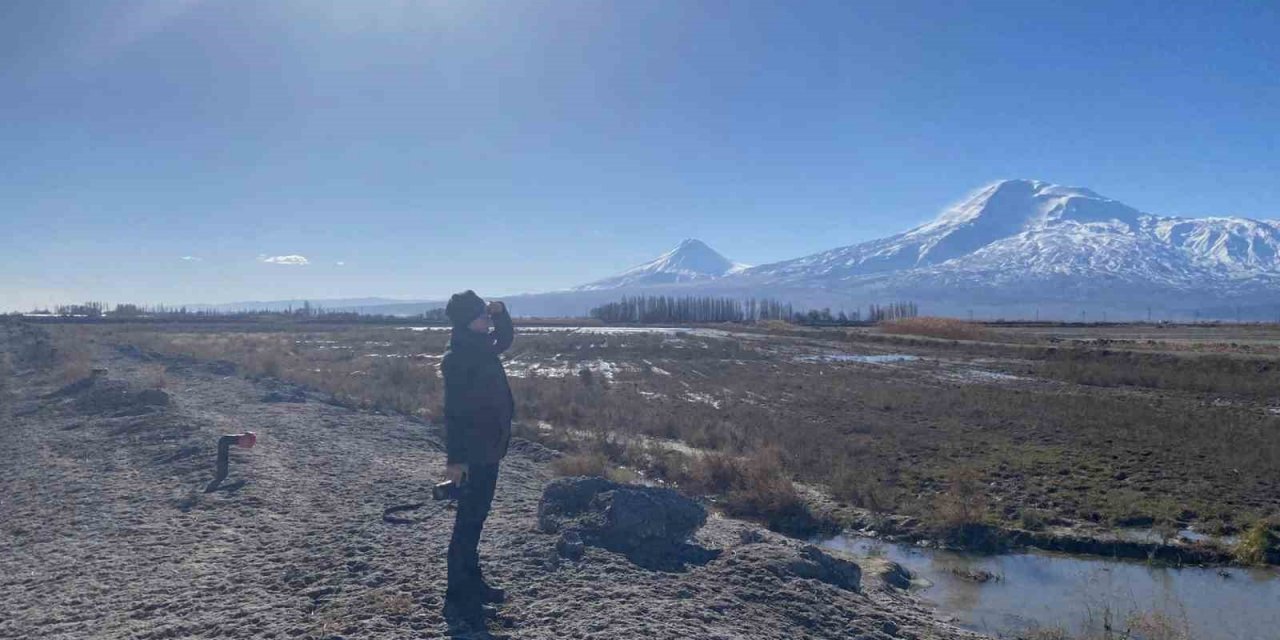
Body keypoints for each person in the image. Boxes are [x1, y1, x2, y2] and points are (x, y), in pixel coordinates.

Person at [440, 290, 515, 626]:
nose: (487, 320)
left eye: (487, 315)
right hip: (472, 453)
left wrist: (501, 314)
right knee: (467, 525)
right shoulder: (458, 359)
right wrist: (455, 461)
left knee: (476, 520)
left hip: (489, 449)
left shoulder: (480, 346)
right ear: (467, 321)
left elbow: (505, 339)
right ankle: (458, 597)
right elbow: (453, 414)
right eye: (482, 315)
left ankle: (474, 583)